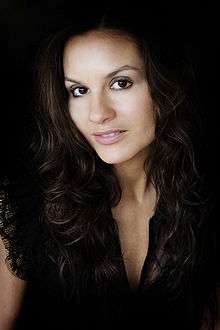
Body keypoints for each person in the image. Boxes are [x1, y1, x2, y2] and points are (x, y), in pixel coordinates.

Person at [0, 9, 219, 330]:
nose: (98, 113)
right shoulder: (21, 204)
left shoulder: (204, 200)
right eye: (78, 90)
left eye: (120, 83)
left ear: (166, 86)